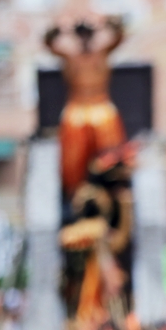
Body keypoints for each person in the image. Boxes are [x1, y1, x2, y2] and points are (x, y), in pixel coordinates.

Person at [45, 15, 127, 199]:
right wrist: (56, 30)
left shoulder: (102, 52)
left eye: (88, 34)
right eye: (80, 35)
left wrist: (111, 24)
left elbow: (120, 36)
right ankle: (73, 190)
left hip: (100, 105)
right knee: (72, 149)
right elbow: (49, 43)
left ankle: (113, 187)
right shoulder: (69, 56)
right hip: (78, 107)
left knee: (111, 147)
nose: (84, 39)